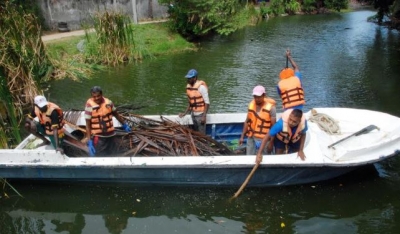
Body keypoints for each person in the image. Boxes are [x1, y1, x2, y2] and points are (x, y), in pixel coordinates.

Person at [81, 86, 131, 156]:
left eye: (98, 96)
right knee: (100, 156)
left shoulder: (109, 103)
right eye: (94, 97)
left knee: (113, 155)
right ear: (92, 96)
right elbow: (88, 125)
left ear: (101, 94)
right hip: (99, 137)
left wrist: (124, 125)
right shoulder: (89, 105)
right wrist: (89, 141)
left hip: (111, 135)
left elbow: (116, 115)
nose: (96, 98)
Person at [239, 85, 276, 155]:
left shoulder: (271, 108)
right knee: (249, 157)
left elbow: (274, 127)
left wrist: (271, 142)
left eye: (259, 97)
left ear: (264, 95)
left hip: (264, 138)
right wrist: (242, 136)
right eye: (255, 97)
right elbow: (247, 121)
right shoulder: (251, 105)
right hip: (251, 136)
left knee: (264, 158)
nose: (257, 99)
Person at [179, 69, 210, 134]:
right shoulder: (189, 88)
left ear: (195, 78)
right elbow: (190, 103)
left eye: (190, 78)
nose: (188, 80)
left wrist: (204, 116)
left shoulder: (201, 88)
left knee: (201, 134)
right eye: (188, 78)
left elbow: (207, 102)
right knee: (196, 133)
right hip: (193, 114)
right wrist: (184, 113)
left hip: (200, 115)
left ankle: (203, 144)